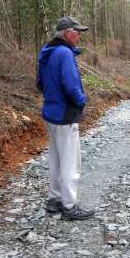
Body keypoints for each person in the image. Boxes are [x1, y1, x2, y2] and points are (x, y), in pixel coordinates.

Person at [37, 16, 95, 221]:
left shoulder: (48, 50)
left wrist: (53, 98)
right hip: (65, 114)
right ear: (67, 33)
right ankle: (69, 207)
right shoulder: (64, 53)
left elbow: (40, 83)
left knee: (56, 158)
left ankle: (54, 200)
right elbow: (71, 85)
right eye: (77, 32)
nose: (79, 35)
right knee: (71, 162)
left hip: (51, 113)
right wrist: (81, 101)